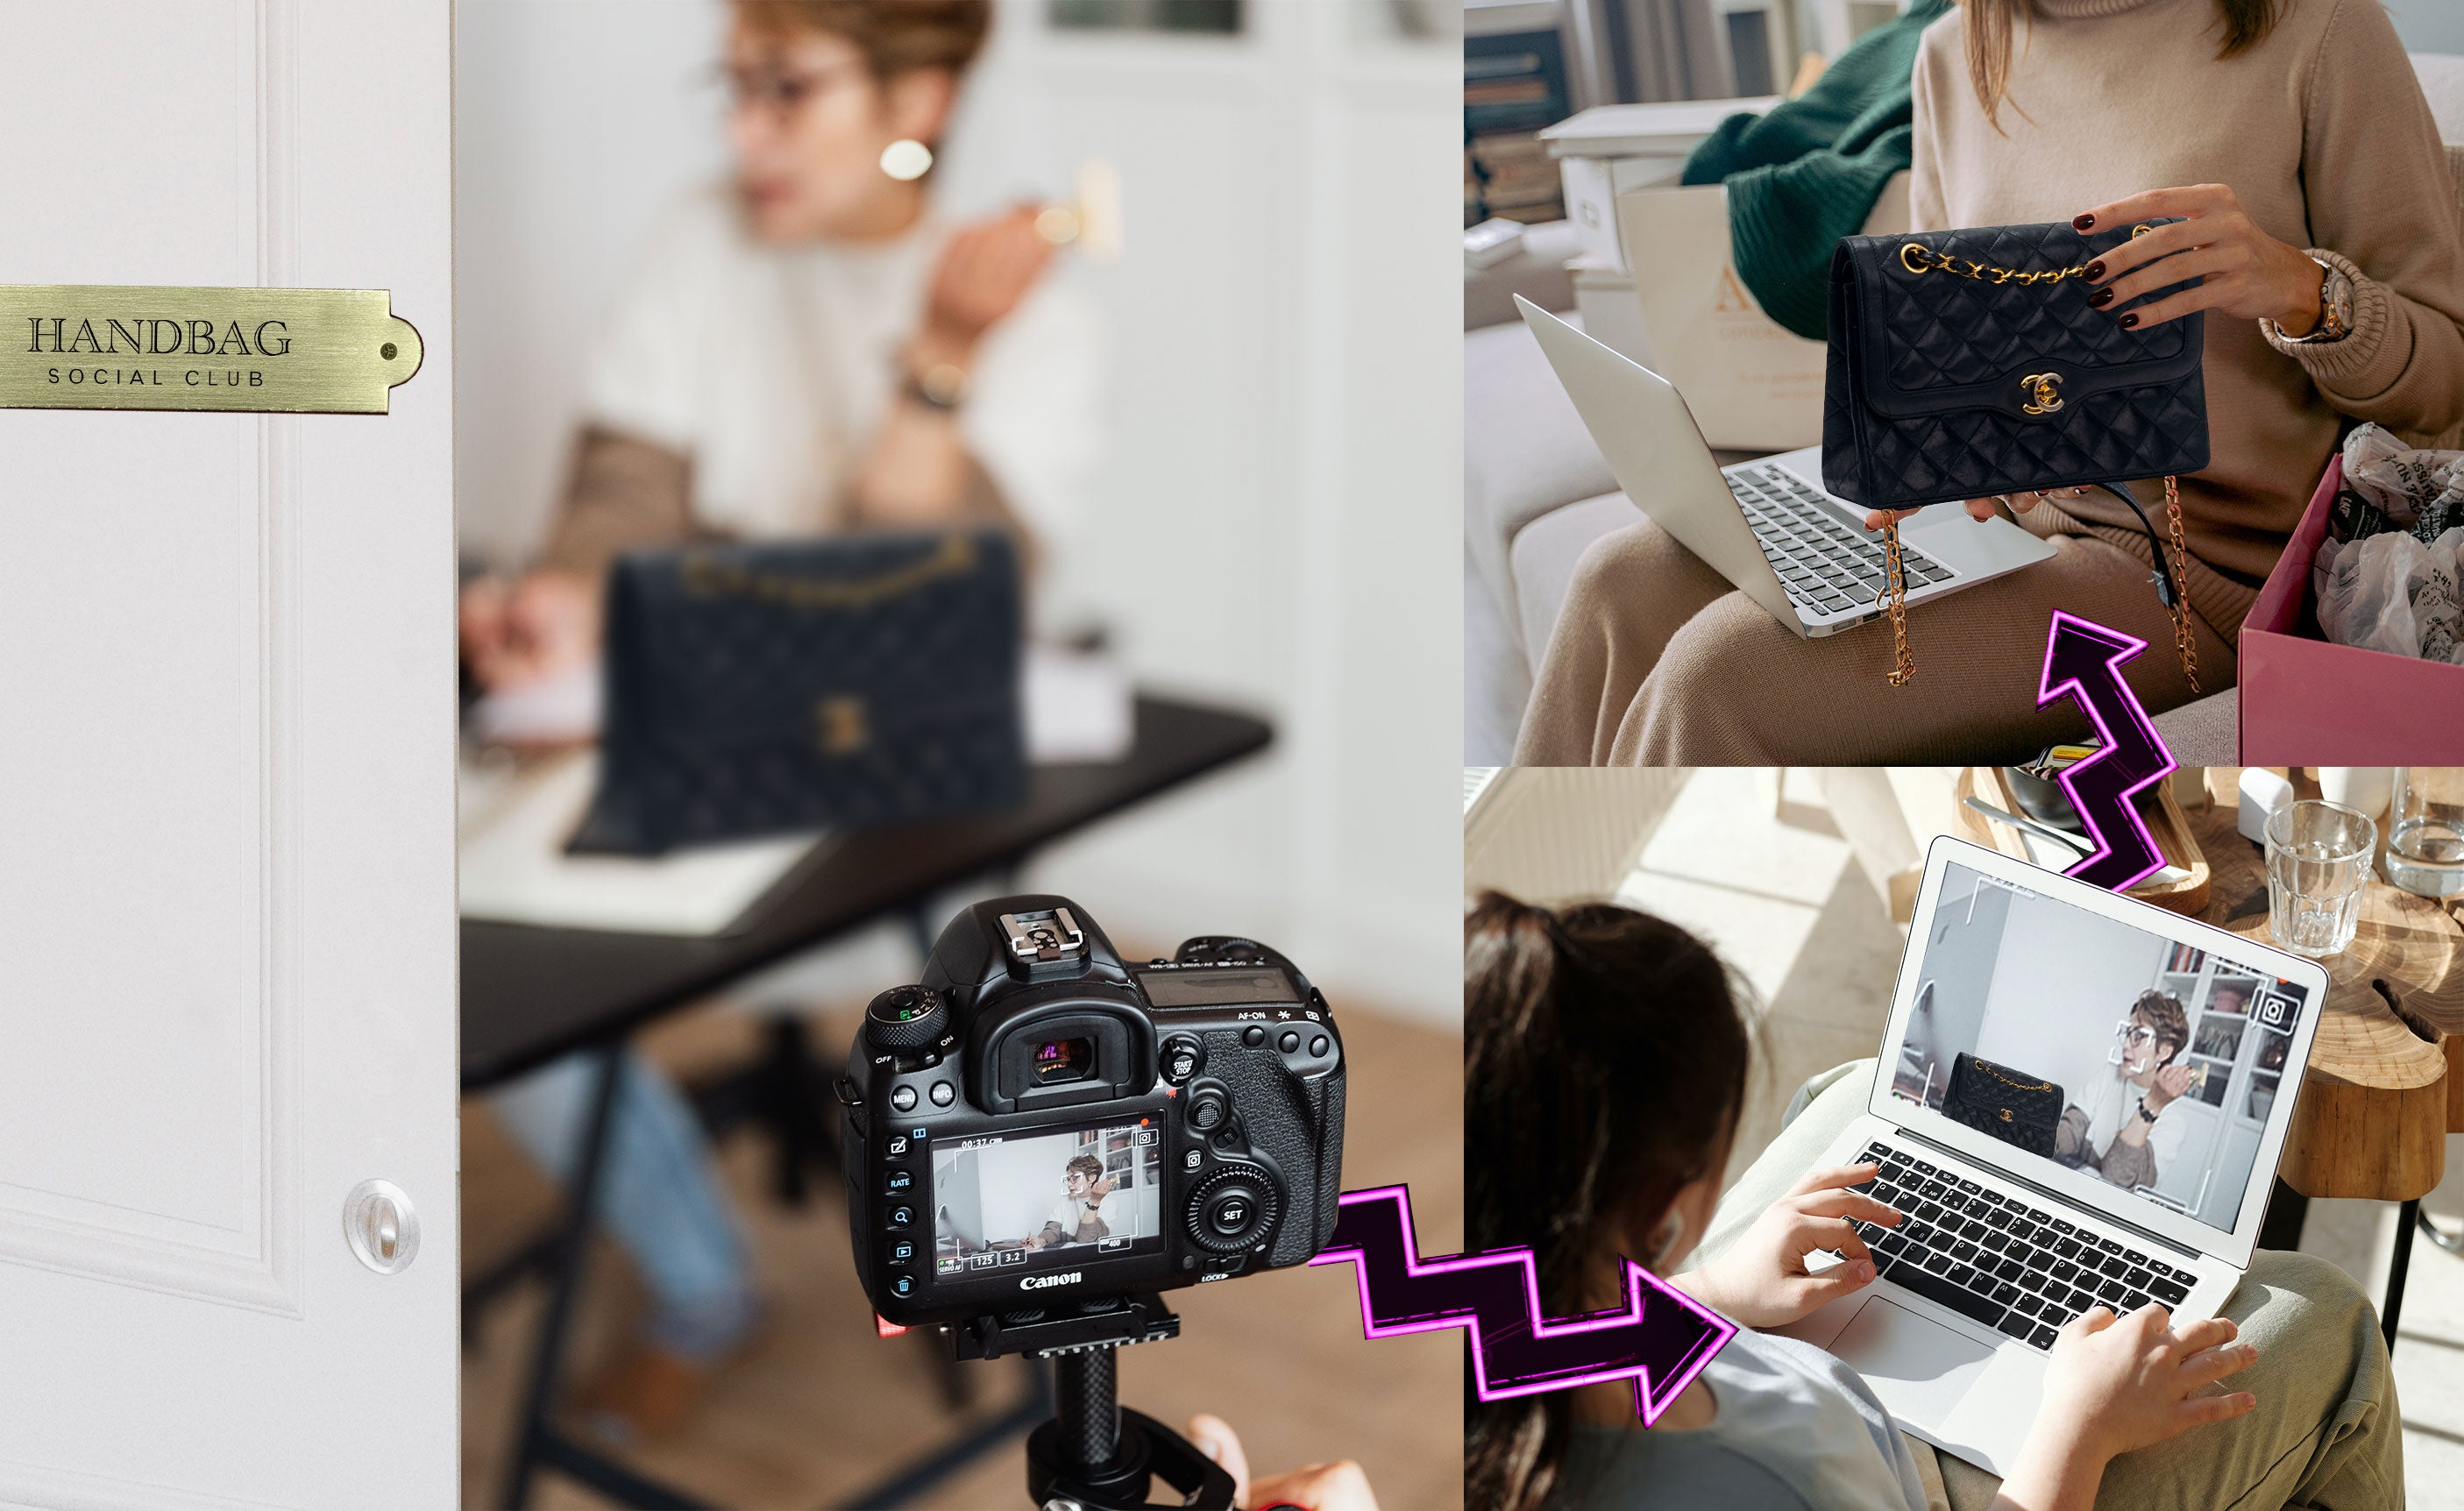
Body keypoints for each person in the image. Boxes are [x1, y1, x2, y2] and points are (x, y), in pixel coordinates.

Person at [472, 0, 1101, 1440]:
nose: (743, 131)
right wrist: (568, 598)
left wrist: (941, 347)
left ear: (919, 95)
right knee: (438, 912)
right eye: (732, 88)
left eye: (784, 90)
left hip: (890, 754)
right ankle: (697, 1262)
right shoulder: (704, 236)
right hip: (696, 707)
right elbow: (626, 482)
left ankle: (695, 1293)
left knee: (514, 953)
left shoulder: (1034, 313)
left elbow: (917, 599)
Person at [1516, 0, 2464, 763]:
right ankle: (1502, 961)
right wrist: (1922, 455)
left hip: (2198, 570)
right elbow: (1949, 346)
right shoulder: (1958, 45)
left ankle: (1614, 980)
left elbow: (2446, 383)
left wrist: (2296, 286)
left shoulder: (2323, 29)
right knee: (1617, 581)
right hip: (1998, 525)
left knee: (1719, 677)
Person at [1464, 890, 2401, 1510]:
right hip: (1938, 1479)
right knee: (2331, 1316)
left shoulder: (1475, 1349)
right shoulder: (1765, 1478)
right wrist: (2080, 1427)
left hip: (1754, 1347)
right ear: (1663, 1205)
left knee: (1854, 1090)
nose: (2125, 1040)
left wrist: (1704, 1294)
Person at [2055, 990, 2192, 1191]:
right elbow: (2070, 1132)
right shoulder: (2109, 1075)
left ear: (2164, 1051)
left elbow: (2118, 1179)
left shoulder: (2173, 1123)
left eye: (2139, 1036)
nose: (2126, 1045)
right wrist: (2036, 1136)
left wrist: (2153, 1104)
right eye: (2128, 1033)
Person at [1026, 1153, 1115, 1250]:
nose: (1069, 1184)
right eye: (1068, 1179)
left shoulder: (1109, 1204)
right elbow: (1053, 1230)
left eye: (1075, 1178)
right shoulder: (1065, 1200)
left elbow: (1086, 1238)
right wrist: (1041, 1241)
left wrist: (1094, 1202)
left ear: (1091, 1178)